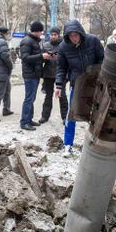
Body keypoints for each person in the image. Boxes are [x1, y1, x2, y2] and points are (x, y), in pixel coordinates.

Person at [54, 20, 104, 157]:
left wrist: (98, 74)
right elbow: (61, 68)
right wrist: (59, 85)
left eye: (76, 35)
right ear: (67, 36)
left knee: (96, 115)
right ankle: (68, 145)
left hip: (95, 83)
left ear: (81, 33)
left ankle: (92, 143)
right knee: (71, 115)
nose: (74, 38)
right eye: (71, 36)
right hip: (77, 84)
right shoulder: (64, 47)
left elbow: (102, 59)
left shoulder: (93, 41)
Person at [19, 21, 50, 131]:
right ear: (37, 31)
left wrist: (44, 56)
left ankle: (29, 119)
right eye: (41, 31)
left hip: (34, 73)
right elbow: (25, 58)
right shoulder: (27, 41)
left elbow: (34, 56)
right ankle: (24, 122)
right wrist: (41, 56)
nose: (41, 33)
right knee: (29, 98)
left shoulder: (34, 41)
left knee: (32, 98)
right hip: (30, 74)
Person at [39, 26, 68, 125]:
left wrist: (59, 57)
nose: (53, 36)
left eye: (55, 34)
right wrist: (44, 57)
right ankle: (44, 116)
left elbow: (68, 58)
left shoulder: (64, 45)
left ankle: (65, 117)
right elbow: (40, 59)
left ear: (58, 35)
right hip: (48, 73)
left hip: (61, 73)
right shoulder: (45, 45)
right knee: (48, 96)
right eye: (51, 34)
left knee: (62, 96)